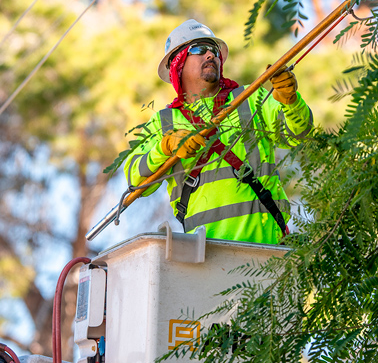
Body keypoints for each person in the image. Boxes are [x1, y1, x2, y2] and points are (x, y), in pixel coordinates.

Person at [124, 19, 313, 244]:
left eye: (213, 50)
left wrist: (290, 101)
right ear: (178, 63)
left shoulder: (249, 99)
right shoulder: (163, 122)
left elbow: (297, 134)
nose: (210, 55)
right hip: (204, 258)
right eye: (199, 49)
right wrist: (165, 148)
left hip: (267, 250)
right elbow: (135, 182)